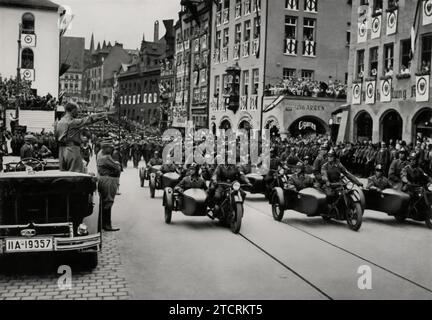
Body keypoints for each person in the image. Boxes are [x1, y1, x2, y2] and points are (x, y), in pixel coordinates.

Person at [55, 102, 111, 173]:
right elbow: (88, 120)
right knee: (75, 174)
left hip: (61, 151)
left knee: (64, 176)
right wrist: (102, 115)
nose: (78, 113)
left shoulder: (59, 122)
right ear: (73, 110)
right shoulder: (72, 122)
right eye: (77, 110)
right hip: (72, 150)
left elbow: (56, 137)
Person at [97, 138, 121, 232]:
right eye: (111, 147)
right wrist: (117, 164)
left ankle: (103, 223)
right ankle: (107, 225)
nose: (112, 149)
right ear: (106, 148)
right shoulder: (106, 157)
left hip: (104, 178)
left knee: (104, 202)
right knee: (108, 202)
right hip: (108, 180)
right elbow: (118, 168)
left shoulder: (100, 154)